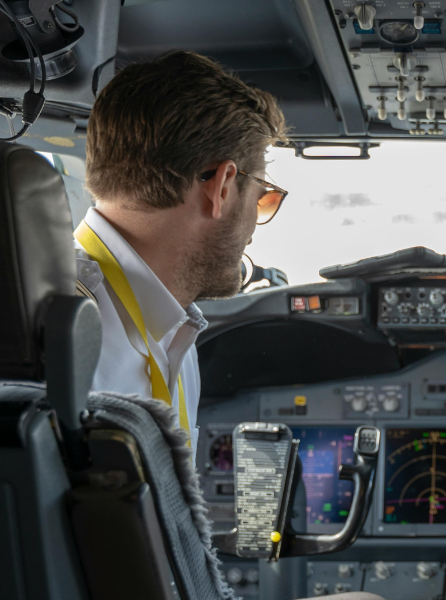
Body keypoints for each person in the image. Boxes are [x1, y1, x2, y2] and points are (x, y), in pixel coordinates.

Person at [74, 50, 288, 450]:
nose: (254, 229)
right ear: (222, 187)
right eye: (263, 198)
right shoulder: (58, 337)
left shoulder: (173, 332)